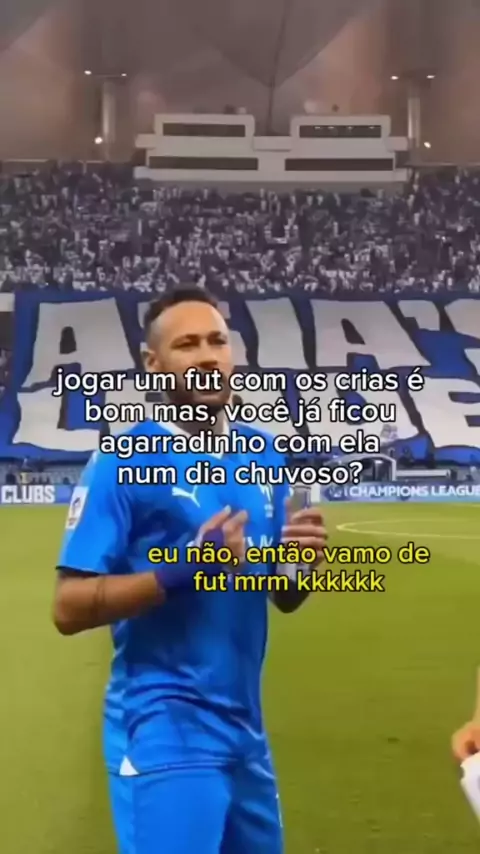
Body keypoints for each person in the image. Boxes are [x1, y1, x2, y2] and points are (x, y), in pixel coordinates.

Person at [52, 285, 327, 854]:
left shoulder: (262, 453)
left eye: (216, 341)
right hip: (164, 727)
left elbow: (280, 592)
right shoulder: (124, 459)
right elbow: (68, 607)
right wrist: (185, 569)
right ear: (153, 363)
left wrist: (302, 565)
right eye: (187, 345)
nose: (206, 356)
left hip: (246, 731)